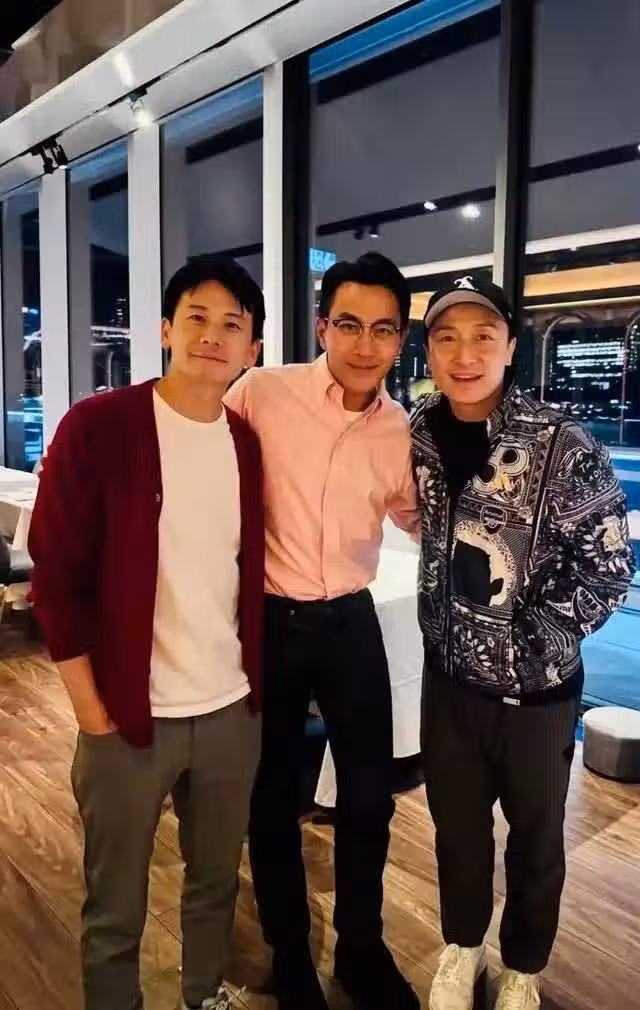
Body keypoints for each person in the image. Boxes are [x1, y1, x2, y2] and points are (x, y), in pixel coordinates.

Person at [28, 255, 266, 1010]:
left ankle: (204, 993)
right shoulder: (99, 427)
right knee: (115, 899)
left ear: (253, 349)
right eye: (197, 317)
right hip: (128, 717)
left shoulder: (244, 442)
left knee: (215, 879)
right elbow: (54, 577)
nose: (213, 335)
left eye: (232, 324)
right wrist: (90, 711)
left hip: (229, 709)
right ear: (166, 329)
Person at [411, 276, 636, 1010]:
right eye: (447, 338)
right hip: (448, 683)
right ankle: (463, 947)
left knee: (536, 840)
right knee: (457, 833)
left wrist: (529, 644)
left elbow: (608, 568)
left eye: (483, 337)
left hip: (536, 695)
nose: (465, 354)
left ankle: (523, 967)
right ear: (429, 351)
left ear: (511, 346)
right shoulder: (418, 430)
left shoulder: (562, 442)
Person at [224, 252, 420, 1010]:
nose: (365, 345)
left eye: (383, 329)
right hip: (271, 620)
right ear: (321, 327)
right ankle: (290, 955)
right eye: (349, 324)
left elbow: (420, 517)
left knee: (370, 794)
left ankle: (361, 949)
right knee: (273, 795)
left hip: (350, 620)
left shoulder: (399, 429)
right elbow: (203, 459)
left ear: (399, 338)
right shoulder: (262, 392)